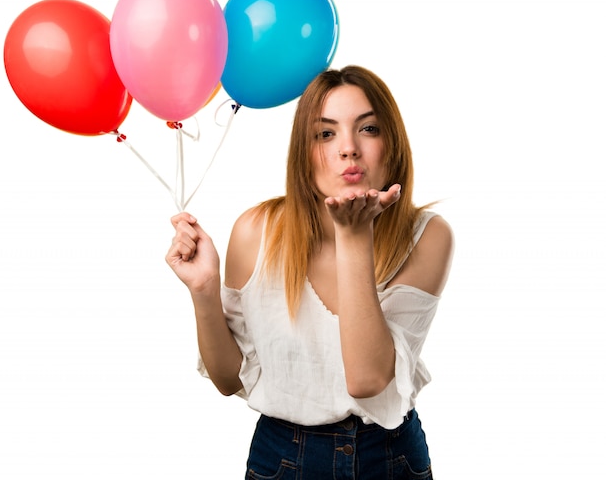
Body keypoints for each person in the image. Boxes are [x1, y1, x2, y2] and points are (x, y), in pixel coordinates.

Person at [165, 65, 454, 479]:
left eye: (368, 129)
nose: (348, 148)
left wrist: (354, 236)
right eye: (326, 133)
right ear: (305, 149)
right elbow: (229, 379)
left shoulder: (427, 236)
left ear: (392, 143)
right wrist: (204, 290)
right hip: (283, 456)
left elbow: (367, 379)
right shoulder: (256, 232)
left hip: (389, 457)